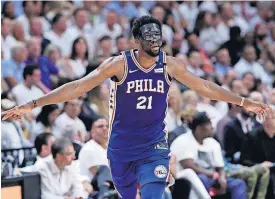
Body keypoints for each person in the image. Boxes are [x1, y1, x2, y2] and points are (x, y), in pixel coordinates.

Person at [2, 16, 273, 199]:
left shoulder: (170, 64)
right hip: (121, 148)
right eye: (149, 36)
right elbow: (77, 86)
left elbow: (204, 86)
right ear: (136, 40)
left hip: (154, 145)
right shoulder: (119, 64)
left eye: (158, 35)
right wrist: (32, 104)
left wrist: (244, 101)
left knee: (154, 193)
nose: (155, 40)